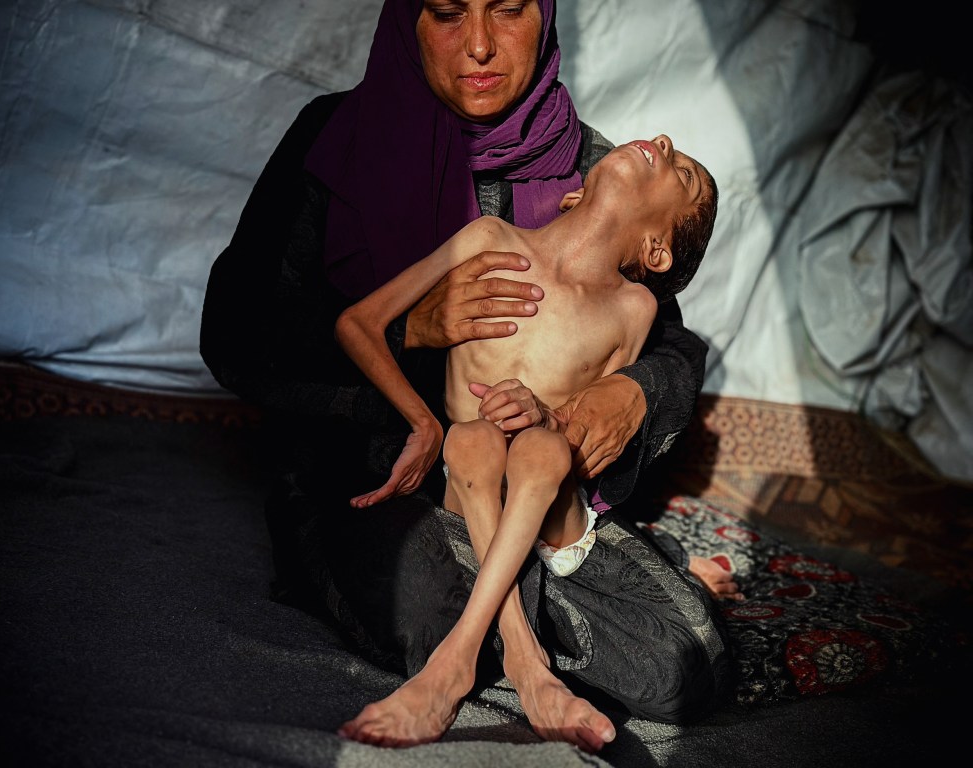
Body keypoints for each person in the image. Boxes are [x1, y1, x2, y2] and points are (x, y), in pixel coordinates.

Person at [200, 0, 736, 750]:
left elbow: (674, 345)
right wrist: (411, 330)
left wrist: (634, 391)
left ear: (543, 21)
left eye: (509, 10)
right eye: (448, 13)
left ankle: (544, 583)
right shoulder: (338, 139)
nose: (480, 45)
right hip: (371, 478)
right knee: (429, 606)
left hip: (531, 479)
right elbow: (236, 327)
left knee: (688, 663)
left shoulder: (593, 165)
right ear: (408, 23)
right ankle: (530, 627)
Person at [334, 133, 719, 749]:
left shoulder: (634, 308)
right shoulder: (490, 238)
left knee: (538, 448)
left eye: (685, 175)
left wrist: (544, 412)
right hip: (468, 480)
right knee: (473, 441)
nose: (666, 143)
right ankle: (521, 660)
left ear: (656, 248)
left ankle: (462, 665)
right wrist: (423, 423)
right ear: (571, 196)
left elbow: (587, 426)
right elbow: (358, 323)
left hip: (549, 498)